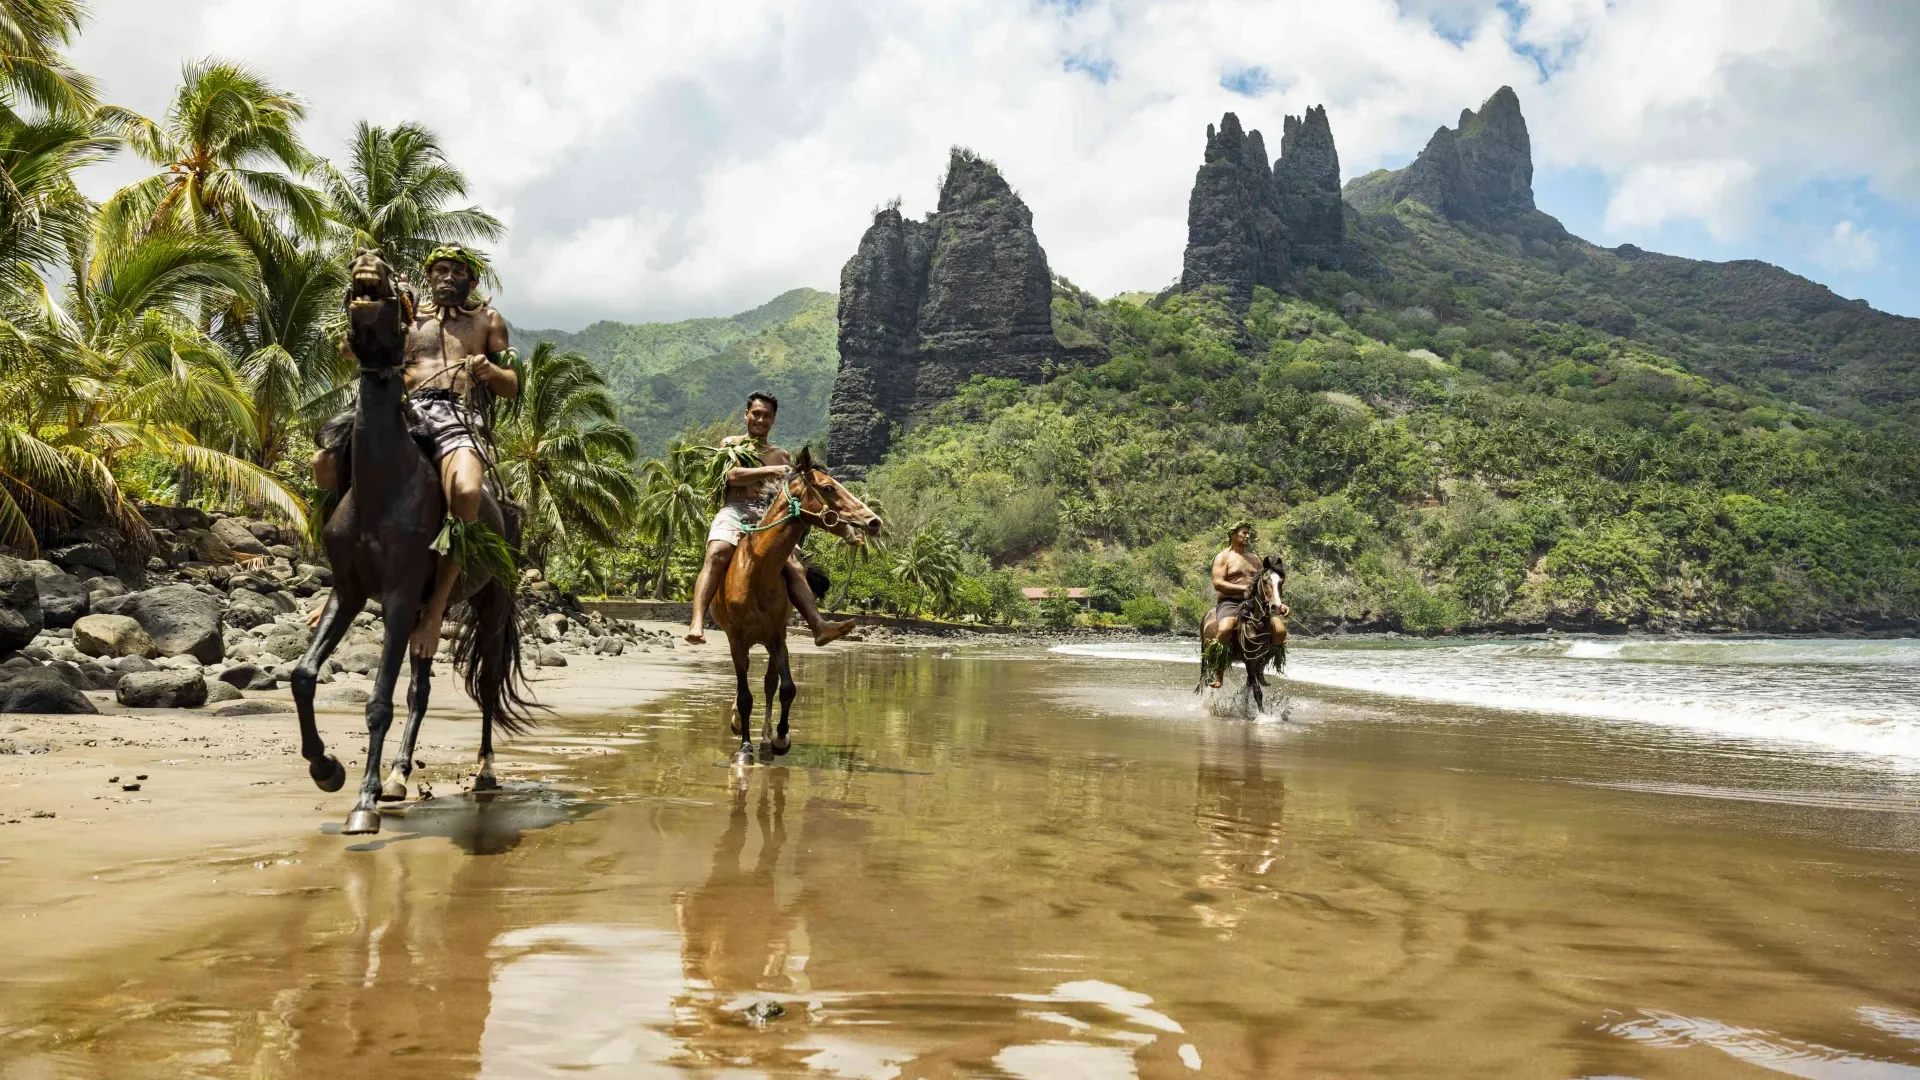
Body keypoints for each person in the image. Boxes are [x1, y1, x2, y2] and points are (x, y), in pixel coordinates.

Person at [309, 246, 518, 656]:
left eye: (458, 271)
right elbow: (358, 346)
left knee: (467, 494)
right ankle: (342, 577)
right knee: (325, 463)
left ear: (473, 282)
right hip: (401, 411)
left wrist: (490, 370)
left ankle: (437, 606)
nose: (447, 277)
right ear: (429, 276)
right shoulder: (408, 315)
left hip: (458, 416)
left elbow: (511, 384)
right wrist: (361, 346)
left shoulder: (487, 321)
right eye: (440, 269)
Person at [685, 392, 856, 648]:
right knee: (717, 552)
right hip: (736, 509)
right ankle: (697, 622)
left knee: (795, 566)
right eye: (756, 414)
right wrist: (770, 470)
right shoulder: (730, 444)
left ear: (773, 420)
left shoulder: (782, 455)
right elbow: (731, 477)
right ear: (746, 415)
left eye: (767, 416)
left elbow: (794, 498)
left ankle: (818, 625)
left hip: (768, 517)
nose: (760, 419)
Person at [1203, 521, 1288, 688]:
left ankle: (1260, 670)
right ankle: (1219, 674)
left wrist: (1279, 603)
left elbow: (1266, 584)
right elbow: (1218, 583)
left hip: (1252, 603)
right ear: (1232, 535)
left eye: (1248, 533)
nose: (1247, 535)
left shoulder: (1254, 558)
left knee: (1280, 631)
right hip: (1229, 602)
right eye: (1243, 532)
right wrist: (1245, 588)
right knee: (1226, 628)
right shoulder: (1223, 557)